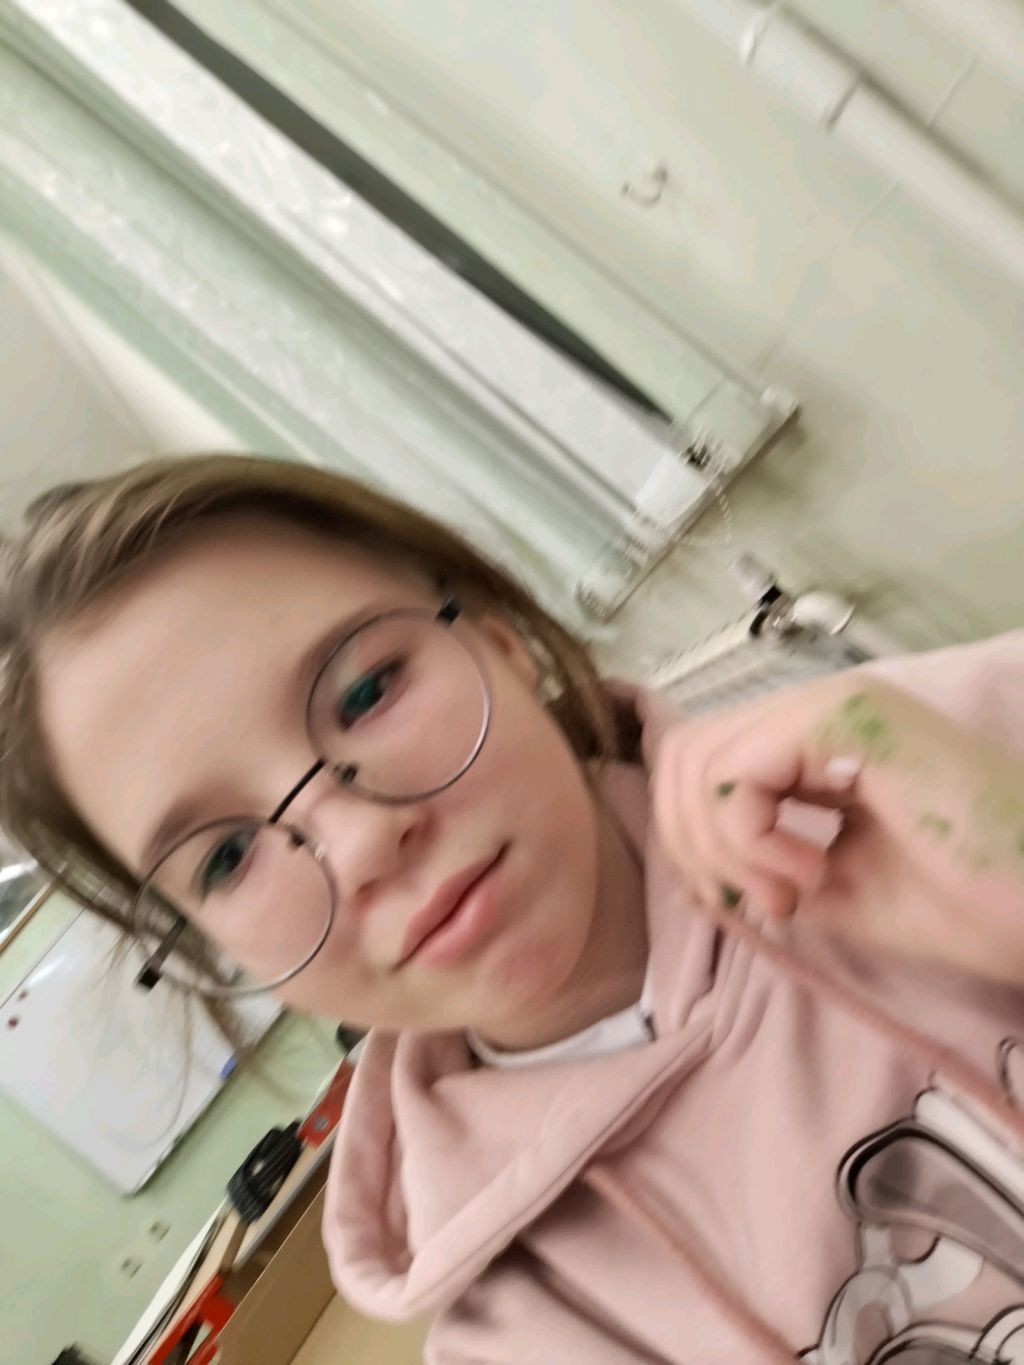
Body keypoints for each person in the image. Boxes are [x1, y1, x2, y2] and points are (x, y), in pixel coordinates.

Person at [1, 453, 1022, 1364]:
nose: (361, 845)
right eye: (227, 857)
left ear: (500, 642)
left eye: (365, 694)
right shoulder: (527, 1333)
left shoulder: (943, 744)